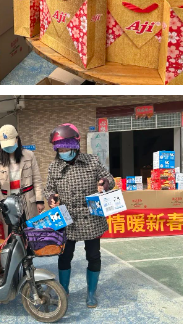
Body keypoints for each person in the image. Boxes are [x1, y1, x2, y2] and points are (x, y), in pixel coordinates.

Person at [44, 123, 115, 308]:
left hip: (91, 217)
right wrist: (51, 197)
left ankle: (91, 293)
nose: (63, 151)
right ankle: (64, 289)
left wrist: (105, 183)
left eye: (66, 147)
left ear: (75, 144)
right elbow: (49, 188)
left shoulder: (92, 161)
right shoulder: (54, 167)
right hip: (67, 218)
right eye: (59, 148)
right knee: (65, 256)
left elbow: (109, 178)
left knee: (93, 256)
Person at [0, 125, 44, 234]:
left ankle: (29, 250)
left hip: (27, 200)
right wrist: (2, 201)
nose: (8, 147)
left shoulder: (29, 155)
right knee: (12, 234)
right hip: (8, 202)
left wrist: (39, 200)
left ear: (17, 139)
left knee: (30, 232)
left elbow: (37, 179)